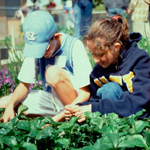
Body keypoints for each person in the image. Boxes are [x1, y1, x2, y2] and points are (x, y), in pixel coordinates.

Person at [0, 10, 92, 122]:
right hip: (50, 100)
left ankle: (71, 119)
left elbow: (85, 93)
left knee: (52, 72)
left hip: (75, 103)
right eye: (37, 49)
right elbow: (24, 85)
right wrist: (10, 106)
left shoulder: (74, 45)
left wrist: (54, 120)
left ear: (56, 36)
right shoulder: (37, 48)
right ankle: (58, 117)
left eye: (45, 48)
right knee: (4, 103)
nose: (42, 53)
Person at [62, 14, 150, 122]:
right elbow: (95, 101)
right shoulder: (98, 70)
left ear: (116, 47)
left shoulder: (140, 60)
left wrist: (93, 109)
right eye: (92, 54)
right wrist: (78, 108)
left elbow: (140, 103)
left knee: (110, 89)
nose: (96, 60)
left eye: (100, 54)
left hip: (139, 117)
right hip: (111, 118)